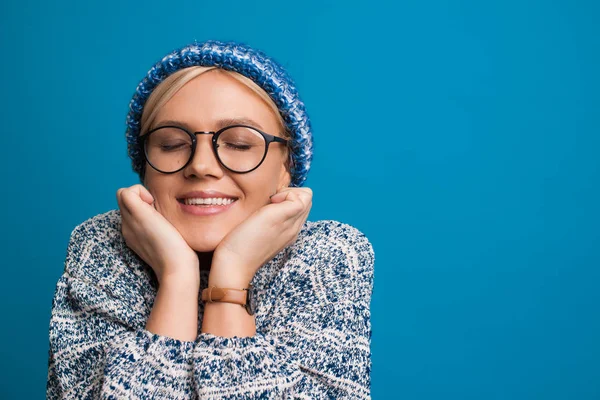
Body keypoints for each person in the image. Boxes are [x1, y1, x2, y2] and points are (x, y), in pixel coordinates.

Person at [46, 40, 375, 399]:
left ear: (287, 166)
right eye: (172, 144)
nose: (201, 165)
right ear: (144, 169)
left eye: (238, 143)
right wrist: (177, 277)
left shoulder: (329, 256)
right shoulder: (100, 246)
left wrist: (231, 273)